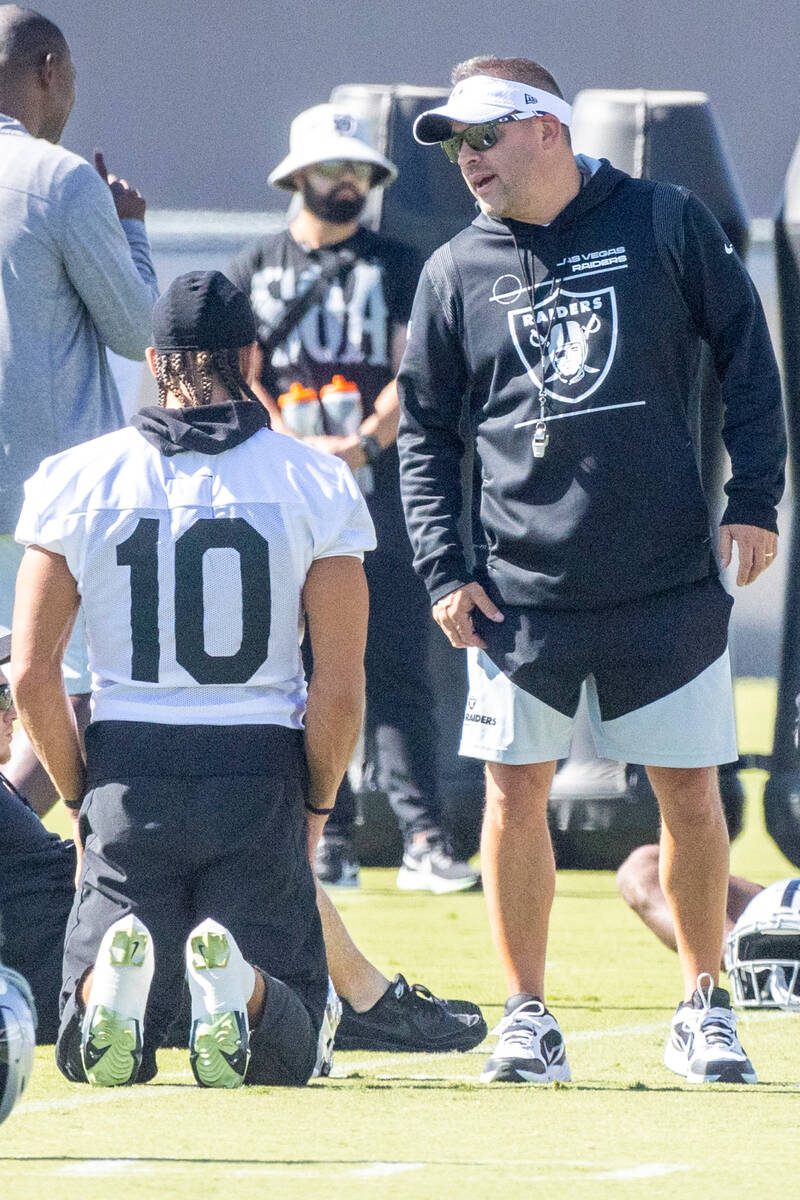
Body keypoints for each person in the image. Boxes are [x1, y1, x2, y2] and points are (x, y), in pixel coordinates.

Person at [397, 56, 786, 1085]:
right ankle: (527, 1015)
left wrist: (752, 500)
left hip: (663, 577)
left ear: (545, 130)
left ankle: (702, 1007)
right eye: (451, 143)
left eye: (483, 136)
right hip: (517, 589)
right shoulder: (452, 273)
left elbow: (747, 354)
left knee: (689, 798)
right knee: (508, 796)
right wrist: (443, 567)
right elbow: (426, 435)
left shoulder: (663, 221)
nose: (465, 158)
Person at [10, 271, 376, 1088]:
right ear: (251, 355)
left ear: (152, 359)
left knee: (82, 1035)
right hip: (257, 773)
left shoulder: (80, 478)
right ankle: (240, 990)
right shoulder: (315, 482)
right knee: (293, 1039)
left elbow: (33, 673)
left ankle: (115, 980)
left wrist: (80, 799)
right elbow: (340, 688)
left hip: (129, 771)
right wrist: (315, 807)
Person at [229, 102, 479, 895]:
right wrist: (293, 450)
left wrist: (364, 444)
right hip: (282, 501)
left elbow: (417, 372)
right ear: (297, 175)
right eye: (334, 168)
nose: (349, 182)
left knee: (399, 666)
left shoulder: (401, 264)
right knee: (297, 671)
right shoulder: (251, 268)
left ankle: (425, 840)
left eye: (360, 170)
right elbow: (242, 376)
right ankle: (324, 839)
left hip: (381, 499)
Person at [0, 5, 157, 814]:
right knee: (73, 703)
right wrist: (130, 228)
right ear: (49, 69)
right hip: (55, 502)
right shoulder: (61, 178)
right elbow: (137, 332)